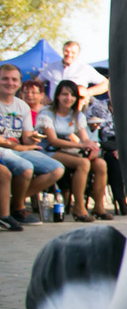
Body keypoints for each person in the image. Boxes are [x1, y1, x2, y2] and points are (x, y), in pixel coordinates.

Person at [37, 80, 111, 221]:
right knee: (83, 164)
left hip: (70, 151)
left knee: (100, 164)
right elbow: (53, 140)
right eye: (65, 94)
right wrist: (81, 146)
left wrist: (93, 147)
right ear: (57, 96)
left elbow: (84, 139)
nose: (68, 98)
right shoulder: (47, 113)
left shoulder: (77, 115)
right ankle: (79, 207)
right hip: (48, 151)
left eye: (72, 95)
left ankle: (98, 207)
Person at [0, 63, 64, 225]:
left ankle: (11, 205)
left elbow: (27, 138)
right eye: (5, 79)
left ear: (19, 83)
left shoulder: (22, 106)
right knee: (26, 168)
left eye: (14, 79)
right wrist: (22, 146)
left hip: (18, 148)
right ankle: (19, 208)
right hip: (5, 149)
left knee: (57, 169)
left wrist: (33, 138)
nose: (10, 83)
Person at [38, 40, 109, 108]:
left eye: (73, 52)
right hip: (54, 108)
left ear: (78, 54)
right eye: (66, 51)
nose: (69, 54)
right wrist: (42, 95)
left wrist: (87, 92)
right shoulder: (52, 67)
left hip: (77, 109)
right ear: (63, 51)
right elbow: (37, 82)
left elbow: (106, 84)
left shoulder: (85, 68)